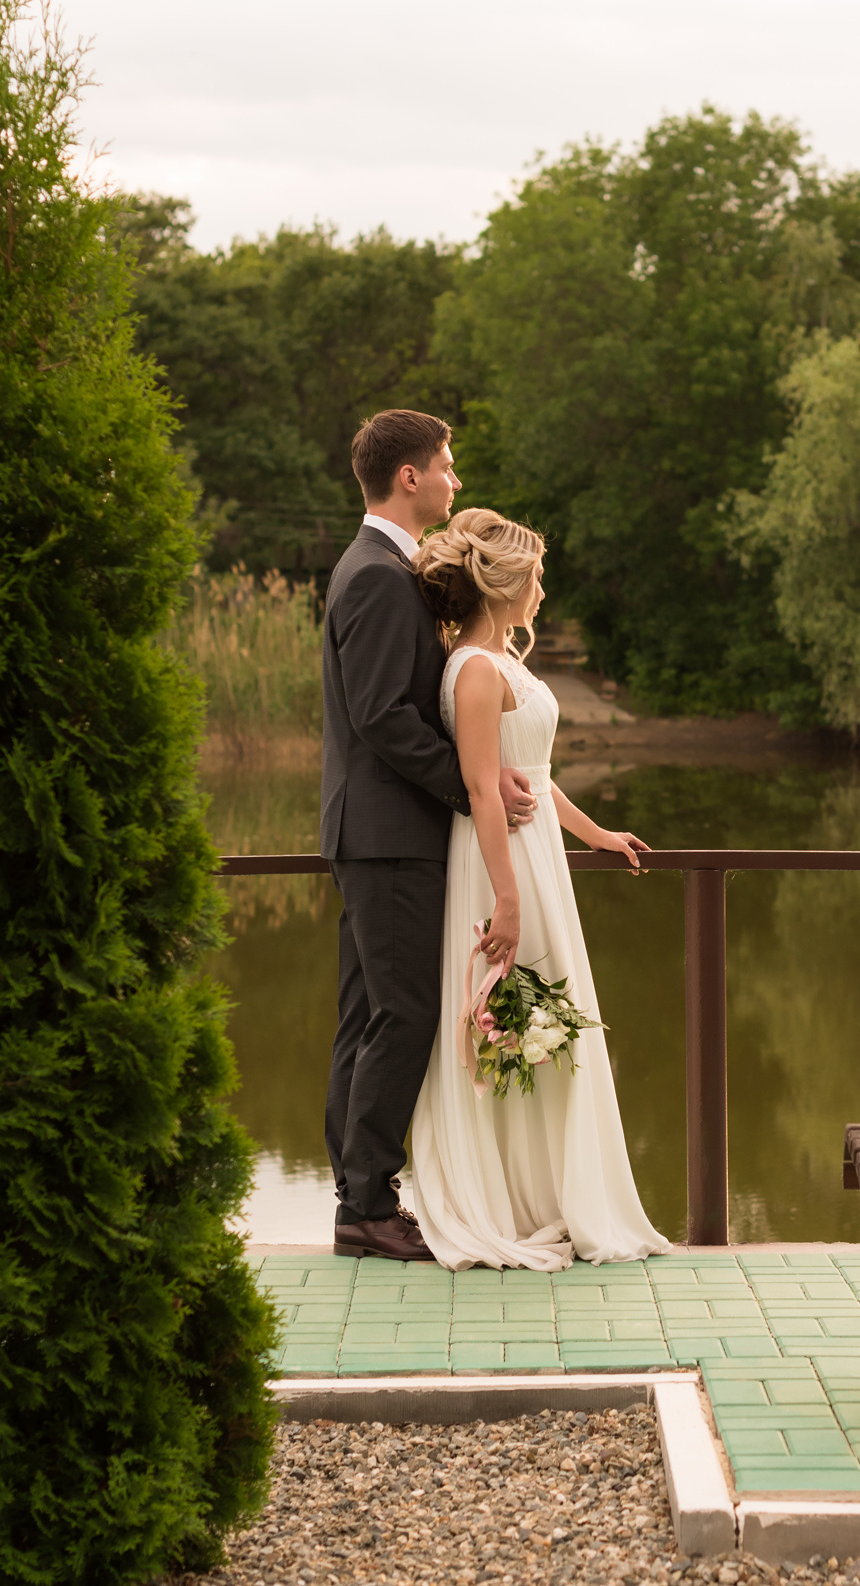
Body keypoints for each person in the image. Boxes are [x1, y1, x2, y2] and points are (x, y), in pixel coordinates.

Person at [404, 508, 670, 1270]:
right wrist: (508, 899)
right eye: (539, 576)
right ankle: (510, 1200)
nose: (544, 589)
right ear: (507, 583)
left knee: (547, 1028)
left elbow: (535, 778)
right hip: (502, 864)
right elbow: (484, 791)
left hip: (539, 858)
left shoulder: (497, 662)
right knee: (518, 1022)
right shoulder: (477, 669)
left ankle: (548, 1193)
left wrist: (596, 835)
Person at [318, 410, 538, 1261]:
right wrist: (469, 785)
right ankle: (368, 1203)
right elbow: (379, 716)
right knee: (403, 1015)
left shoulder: (379, 566)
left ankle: (357, 1194)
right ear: (408, 477)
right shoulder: (374, 574)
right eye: (446, 467)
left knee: (367, 1014)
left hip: (374, 830)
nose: (454, 480)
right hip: (388, 834)